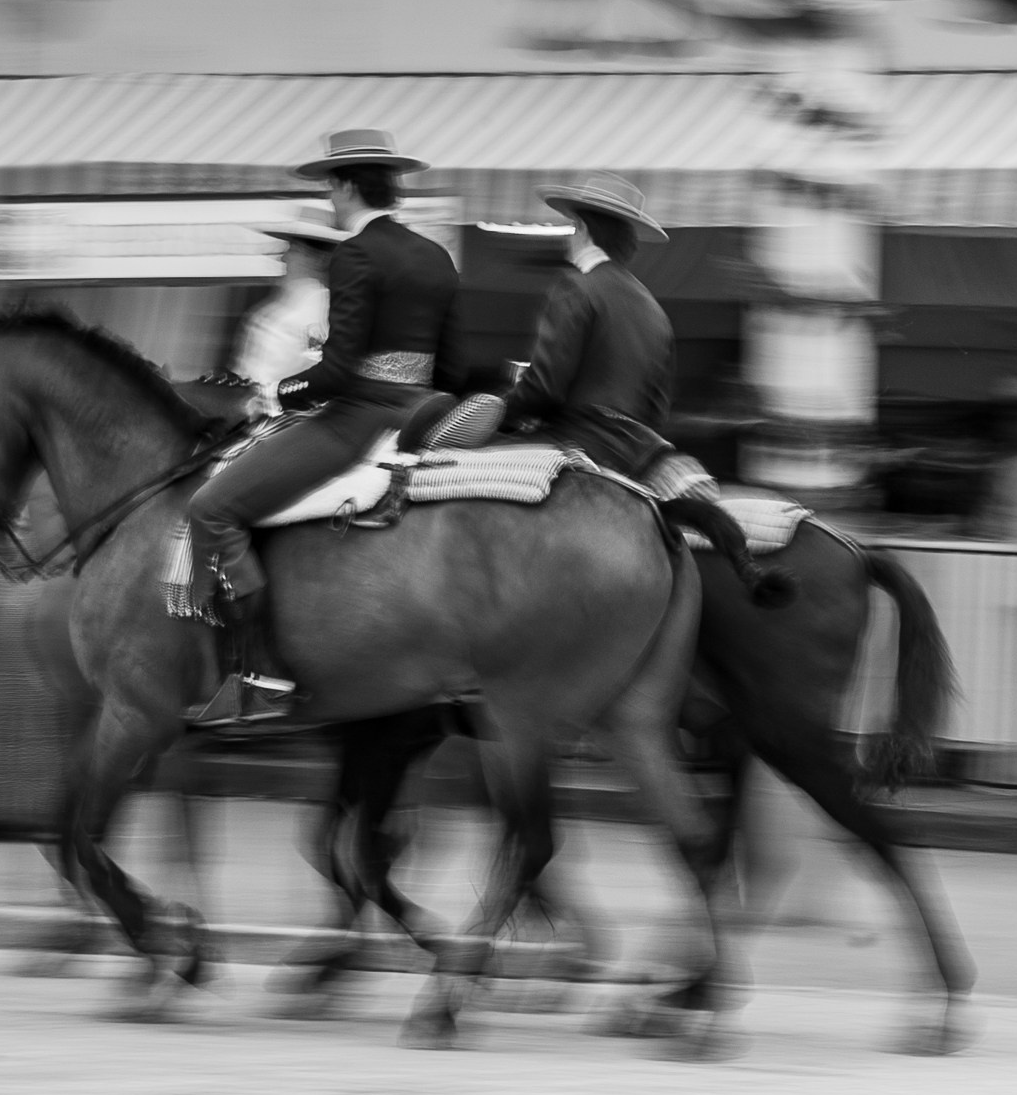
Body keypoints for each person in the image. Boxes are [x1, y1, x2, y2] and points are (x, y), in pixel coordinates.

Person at [183, 131, 462, 729]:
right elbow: (454, 360)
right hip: (421, 409)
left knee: (211, 508)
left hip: (358, 418)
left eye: (328, 188)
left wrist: (279, 393)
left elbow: (337, 373)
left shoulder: (356, 255)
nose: (329, 200)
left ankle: (261, 678)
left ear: (344, 185)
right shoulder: (436, 255)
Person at [497, 174, 692, 484]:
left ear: (582, 229)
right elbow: (657, 409)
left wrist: (499, 413)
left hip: (573, 442)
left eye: (573, 227)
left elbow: (544, 389)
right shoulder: (654, 309)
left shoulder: (576, 287)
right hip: (636, 454)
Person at [231, 206, 342, 417]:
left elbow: (319, 372)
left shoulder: (320, 308)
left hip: (286, 420)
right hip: (260, 414)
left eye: (293, 249)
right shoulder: (282, 309)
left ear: (318, 259)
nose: (283, 258)